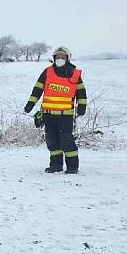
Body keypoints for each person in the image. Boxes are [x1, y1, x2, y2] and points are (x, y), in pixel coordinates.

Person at [24, 46, 87, 174]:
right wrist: (30, 104)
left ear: (67, 59)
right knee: (52, 141)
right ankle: (56, 166)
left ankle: (72, 167)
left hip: (66, 116)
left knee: (66, 141)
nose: (59, 59)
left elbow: (81, 93)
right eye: (57, 57)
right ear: (53, 58)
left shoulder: (75, 74)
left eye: (62, 57)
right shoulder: (47, 72)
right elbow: (37, 89)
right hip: (48, 115)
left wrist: (82, 107)